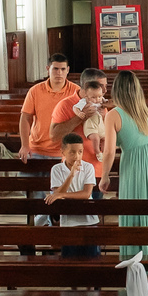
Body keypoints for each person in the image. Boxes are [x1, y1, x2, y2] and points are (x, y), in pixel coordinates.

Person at [98, 72, 148, 259]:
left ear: (117, 90)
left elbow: (109, 151)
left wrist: (105, 176)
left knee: (136, 210)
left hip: (136, 163)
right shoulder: (144, 110)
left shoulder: (114, 115)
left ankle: (139, 265)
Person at [50, 68, 110, 199]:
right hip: (72, 169)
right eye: (101, 86)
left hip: (97, 169)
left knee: (94, 215)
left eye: (105, 87)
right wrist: (79, 118)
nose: (105, 91)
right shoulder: (65, 105)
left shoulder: (100, 102)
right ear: (87, 86)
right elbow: (54, 136)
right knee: (69, 212)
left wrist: (104, 118)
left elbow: (104, 132)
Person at [19, 53, 78, 163]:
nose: (59, 73)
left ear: (68, 70)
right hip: (36, 149)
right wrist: (25, 145)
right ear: (48, 69)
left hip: (64, 151)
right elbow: (25, 117)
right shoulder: (35, 91)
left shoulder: (76, 91)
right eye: (55, 69)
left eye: (62, 69)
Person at [48, 133, 99, 258]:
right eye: (72, 152)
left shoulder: (88, 167)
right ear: (63, 152)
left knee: (91, 260)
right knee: (69, 260)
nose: (77, 156)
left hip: (88, 220)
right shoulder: (57, 169)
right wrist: (71, 175)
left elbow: (86, 194)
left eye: (80, 152)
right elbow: (56, 194)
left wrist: (63, 195)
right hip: (68, 222)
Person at [75, 78, 107, 162]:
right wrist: (79, 113)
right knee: (96, 138)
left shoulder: (101, 100)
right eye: (93, 97)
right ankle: (97, 152)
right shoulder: (84, 101)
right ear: (87, 96)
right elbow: (75, 107)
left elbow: (107, 102)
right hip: (90, 125)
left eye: (99, 96)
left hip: (99, 124)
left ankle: (104, 153)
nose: (97, 99)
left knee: (105, 139)